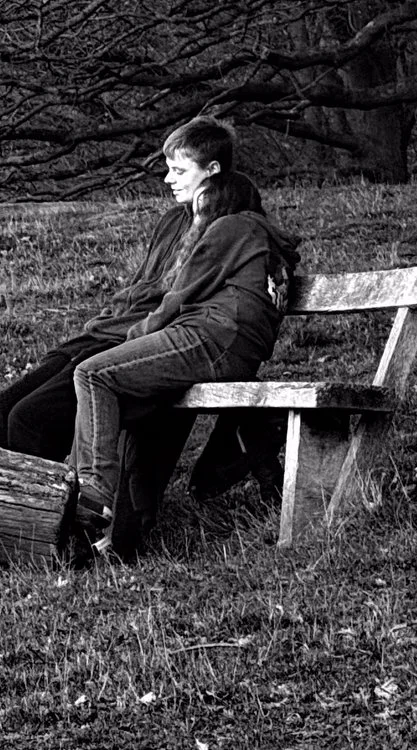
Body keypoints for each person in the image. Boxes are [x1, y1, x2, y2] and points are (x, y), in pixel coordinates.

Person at [64, 121, 298, 561]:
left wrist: (131, 337)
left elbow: (178, 297)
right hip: (228, 345)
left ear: (220, 198)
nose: (198, 216)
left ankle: (91, 493)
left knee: (93, 373)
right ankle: (108, 535)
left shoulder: (232, 229)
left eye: (203, 203)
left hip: (211, 338)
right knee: (122, 405)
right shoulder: (261, 241)